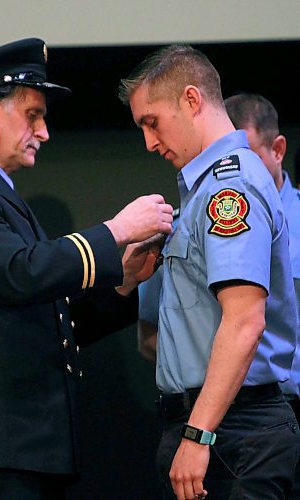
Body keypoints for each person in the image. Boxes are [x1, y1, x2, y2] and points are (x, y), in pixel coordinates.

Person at [0, 38, 173, 499]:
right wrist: (116, 230)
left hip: (22, 445)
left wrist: (122, 283)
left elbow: (46, 315)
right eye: (32, 113)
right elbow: (19, 273)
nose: (44, 131)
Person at [118, 44, 299, 499]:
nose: (149, 143)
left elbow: (244, 322)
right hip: (213, 423)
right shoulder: (202, 192)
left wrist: (199, 434)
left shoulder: (229, 190)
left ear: (192, 100)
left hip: (232, 431)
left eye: (152, 122)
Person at [224, 92, 300, 499]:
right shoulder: (205, 218)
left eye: (248, 153)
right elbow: (153, 334)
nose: (235, 168)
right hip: (238, 418)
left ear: (278, 149)